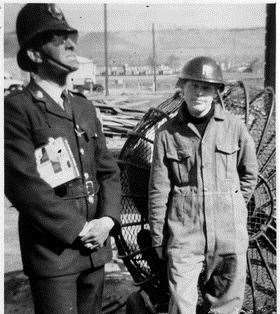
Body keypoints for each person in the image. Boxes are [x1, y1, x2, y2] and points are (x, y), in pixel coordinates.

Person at [5, 4, 121, 314]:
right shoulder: (17, 108)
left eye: (70, 37)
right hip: (54, 256)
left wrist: (107, 222)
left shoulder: (83, 107)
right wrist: (82, 230)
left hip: (95, 252)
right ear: (34, 54)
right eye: (58, 39)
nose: (71, 44)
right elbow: (23, 185)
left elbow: (108, 171)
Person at [148, 56, 258, 313]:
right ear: (181, 87)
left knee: (226, 307)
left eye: (206, 87)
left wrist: (231, 204)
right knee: (181, 305)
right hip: (185, 237)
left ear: (216, 92)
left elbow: (249, 174)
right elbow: (158, 189)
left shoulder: (234, 127)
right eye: (192, 86)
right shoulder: (166, 134)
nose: (199, 93)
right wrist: (157, 237)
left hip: (229, 238)